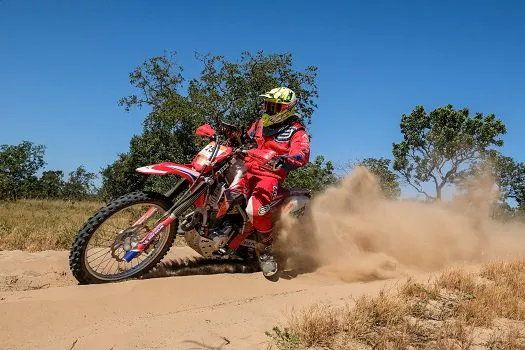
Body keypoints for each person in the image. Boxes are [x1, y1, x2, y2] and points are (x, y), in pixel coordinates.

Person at [214, 87, 311, 277]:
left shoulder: (297, 131)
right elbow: (248, 140)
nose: (268, 109)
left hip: (269, 175)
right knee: (214, 180)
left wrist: (287, 160)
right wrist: (233, 137)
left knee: (254, 210)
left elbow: (303, 153)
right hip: (243, 166)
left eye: (273, 106)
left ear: (286, 109)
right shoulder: (259, 123)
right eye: (267, 104)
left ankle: (266, 251)